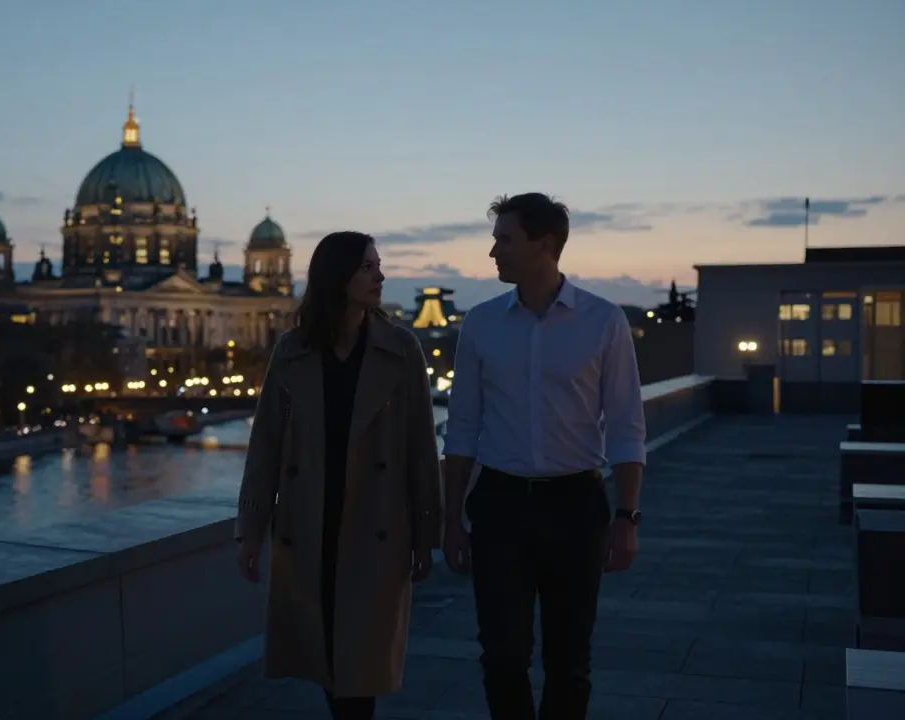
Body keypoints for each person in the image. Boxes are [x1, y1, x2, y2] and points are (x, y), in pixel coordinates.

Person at [441, 193, 646, 720]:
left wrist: (626, 517)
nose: (492, 253)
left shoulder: (603, 322)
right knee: (503, 656)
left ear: (545, 245)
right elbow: (461, 428)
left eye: (504, 239)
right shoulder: (482, 324)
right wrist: (451, 520)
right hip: (500, 504)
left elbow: (626, 427)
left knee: (569, 660)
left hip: (575, 504)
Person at [235, 231, 442, 719]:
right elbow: (265, 445)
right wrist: (250, 532)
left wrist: (427, 532)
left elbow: (420, 446)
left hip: (376, 529)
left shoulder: (403, 349)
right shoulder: (291, 350)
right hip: (310, 527)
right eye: (368, 267)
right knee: (327, 657)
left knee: (358, 667)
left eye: (378, 265)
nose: (380, 276)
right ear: (338, 276)